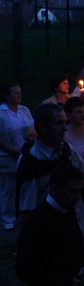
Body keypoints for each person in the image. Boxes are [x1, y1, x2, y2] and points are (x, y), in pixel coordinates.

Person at [16, 103, 84, 243]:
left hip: (76, 229)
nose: (65, 128)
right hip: (51, 237)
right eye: (59, 123)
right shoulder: (32, 162)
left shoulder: (66, 150)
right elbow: (27, 211)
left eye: (65, 122)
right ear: (42, 126)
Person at [16, 164, 84, 286]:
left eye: (79, 191)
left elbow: (75, 247)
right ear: (54, 189)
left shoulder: (68, 210)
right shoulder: (37, 221)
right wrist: (63, 282)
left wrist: (81, 268)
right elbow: (24, 269)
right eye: (71, 191)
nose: (78, 197)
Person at [0, 83, 35, 231]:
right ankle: (8, 217)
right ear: (7, 96)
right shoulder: (1, 113)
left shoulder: (24, 110)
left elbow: (31, 127)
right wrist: (11, 150)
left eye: (20, 93)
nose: (19, 96)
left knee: (25, 186)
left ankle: (22, 213)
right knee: (9, 188)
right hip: (9, 155)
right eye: (15, 93)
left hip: (25, 154)